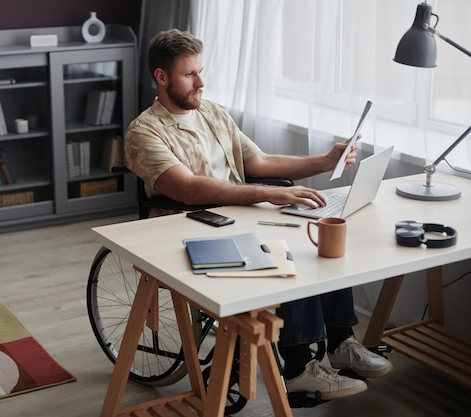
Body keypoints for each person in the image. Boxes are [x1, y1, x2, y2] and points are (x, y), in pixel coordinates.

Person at [124, 28, 393, 400]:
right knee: (285, 252)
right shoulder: (144, 132)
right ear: (162, 77)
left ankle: (340, 342)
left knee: (320, 235)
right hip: (190, 231)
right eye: (190, 74)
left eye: (201, 71)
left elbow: (259, 160)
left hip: (240, 217)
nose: (202, 82)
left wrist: (325, 160)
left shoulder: (212, 113)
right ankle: (299, 370)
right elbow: (188, 188)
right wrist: (272, 194)